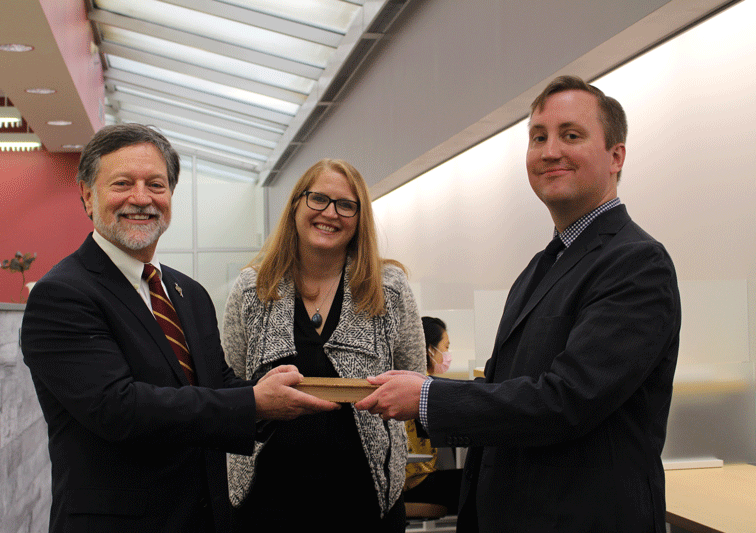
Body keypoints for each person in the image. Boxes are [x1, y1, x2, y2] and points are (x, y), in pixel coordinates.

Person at [356, 75, 681, 532]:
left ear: (616, 156)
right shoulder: (540, 267)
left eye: (571, 135)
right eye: (538, 137)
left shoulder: (636, 262)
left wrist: (429, 396)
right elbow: (504, 385)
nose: (550, 151)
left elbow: (566, 400)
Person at [20, 123, 338, 533]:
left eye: (156, 184)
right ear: (86, 195)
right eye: (122, 183)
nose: (141, 198)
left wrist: (275, 393)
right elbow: (118, 409)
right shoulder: (62, 295)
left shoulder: (188, 292)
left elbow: (214, 383)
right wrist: (254, 403)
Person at [223, 158, 426, 531]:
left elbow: (415, 381)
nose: (330, 213)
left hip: (364, 501)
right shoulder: (252, 289)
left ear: (359, 217)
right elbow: (230, 386)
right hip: (266, 501)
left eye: (346, 205)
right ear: (297, 204)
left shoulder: (389, 288)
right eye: (318, 199)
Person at [404, 316, 462, 515]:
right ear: (430, 350)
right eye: (445, 347)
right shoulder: (425, 388)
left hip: (414, 478)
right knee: (479, 481)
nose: (447, 354)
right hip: (415, 482)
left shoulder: (407, 380)